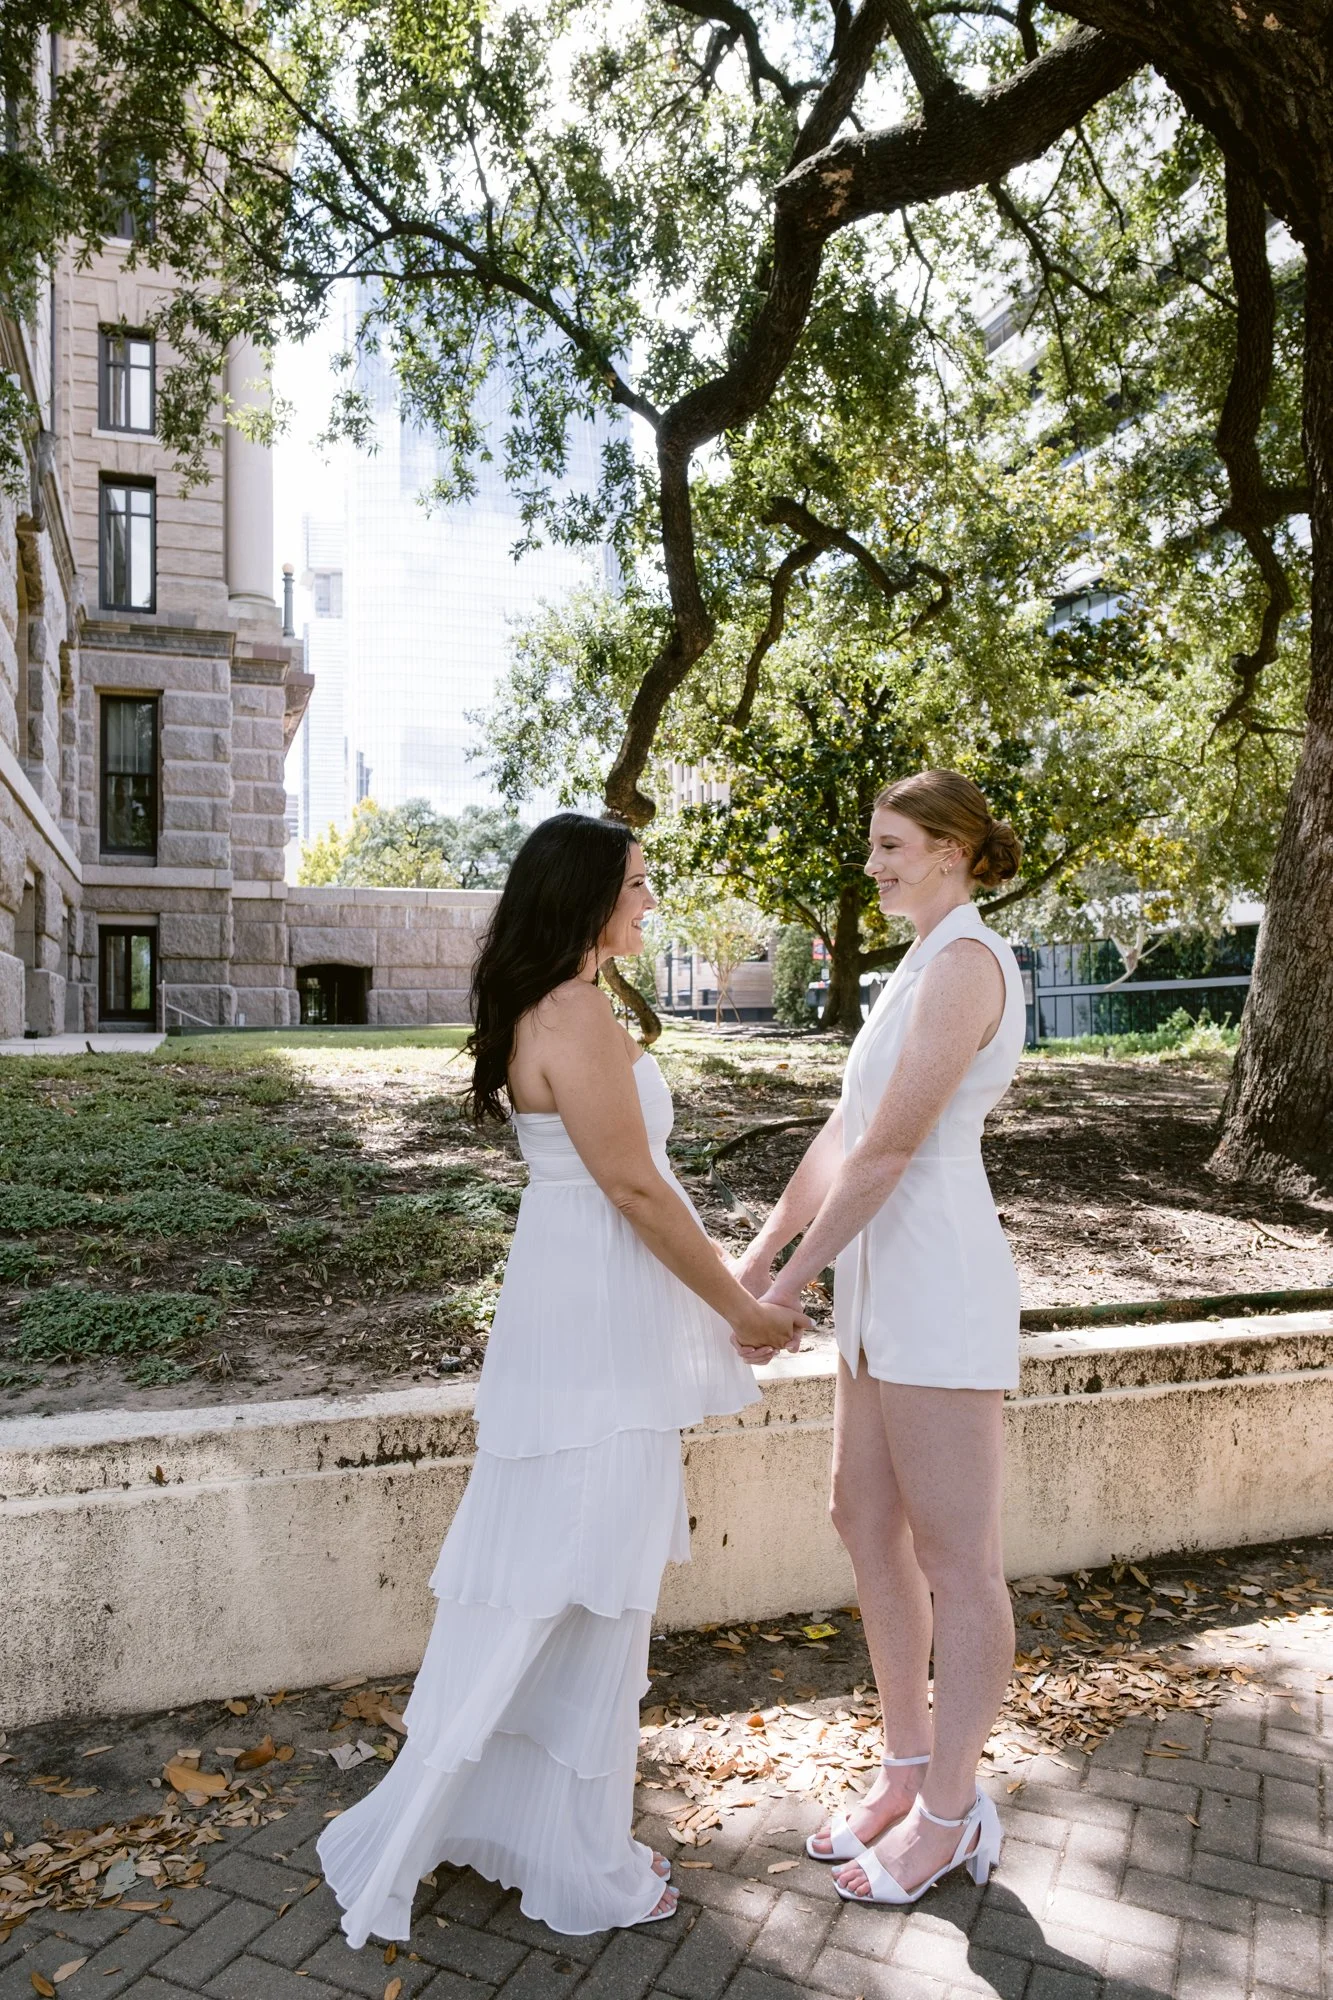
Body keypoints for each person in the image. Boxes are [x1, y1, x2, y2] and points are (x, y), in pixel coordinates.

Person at [318, 812, 807, 1942]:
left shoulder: (556, 1003)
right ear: (584, 896)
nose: (649, 901)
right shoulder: (574, 1011)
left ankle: (532, 1823)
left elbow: (633, 1189)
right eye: (635, 884)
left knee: (568, 1571)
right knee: (580, 1575)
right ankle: (566, 1851)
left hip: (578, 1306)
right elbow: (635, 1190)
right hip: (590, 1327)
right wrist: (741, 1310)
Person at [733, 770, 1025, 1907]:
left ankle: (953, 1812)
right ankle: (906, 1766)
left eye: (893, 843)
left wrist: (788, 1286)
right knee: (859, 1515)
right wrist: (755, 1263)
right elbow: (844, 1131)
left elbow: (895, 1150)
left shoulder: (965, 962)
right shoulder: (915, 961)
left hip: (938, 1274)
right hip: (877, 1278)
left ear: (952, 849)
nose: (875, 862)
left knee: (959, 1557)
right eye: (873, 844)